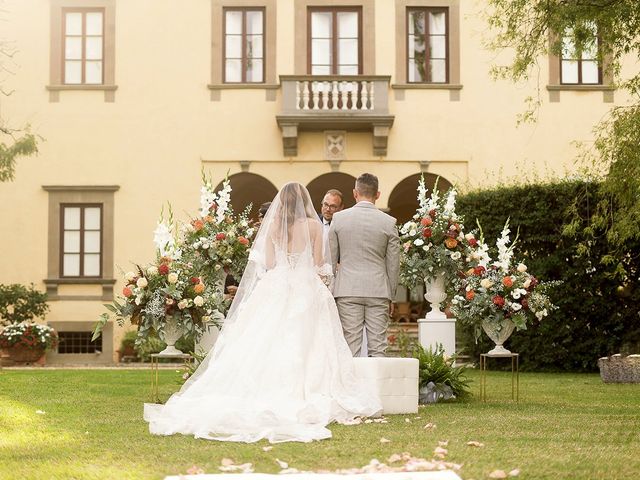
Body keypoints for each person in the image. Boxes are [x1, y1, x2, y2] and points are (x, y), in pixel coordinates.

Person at [144, 182, 382, 443]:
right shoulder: (313, 226)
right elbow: (318, 264)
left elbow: (268, 264)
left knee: (265, 338)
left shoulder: (274, 228)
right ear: (304, 203)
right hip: (304, 286)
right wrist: (324, 279)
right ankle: (307, 390)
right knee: (307, 340)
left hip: (276, 285)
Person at [329, 173, 400, 357]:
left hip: (347, 290)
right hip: (378, 291)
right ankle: (376, 386)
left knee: (350, 348)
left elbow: (330, 260)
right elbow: (393, 264)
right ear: (377, 194)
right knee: (378, 348)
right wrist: (391, 295)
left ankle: (351, 386)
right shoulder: (389, 222)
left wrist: (331, 290)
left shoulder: (339, 219)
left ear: (355, 193)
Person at [319, 190, 344, 262]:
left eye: (333, 206)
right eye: (325, 204)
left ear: (341, 207)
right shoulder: (313, 223)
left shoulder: (344, 226)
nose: (328, 209)